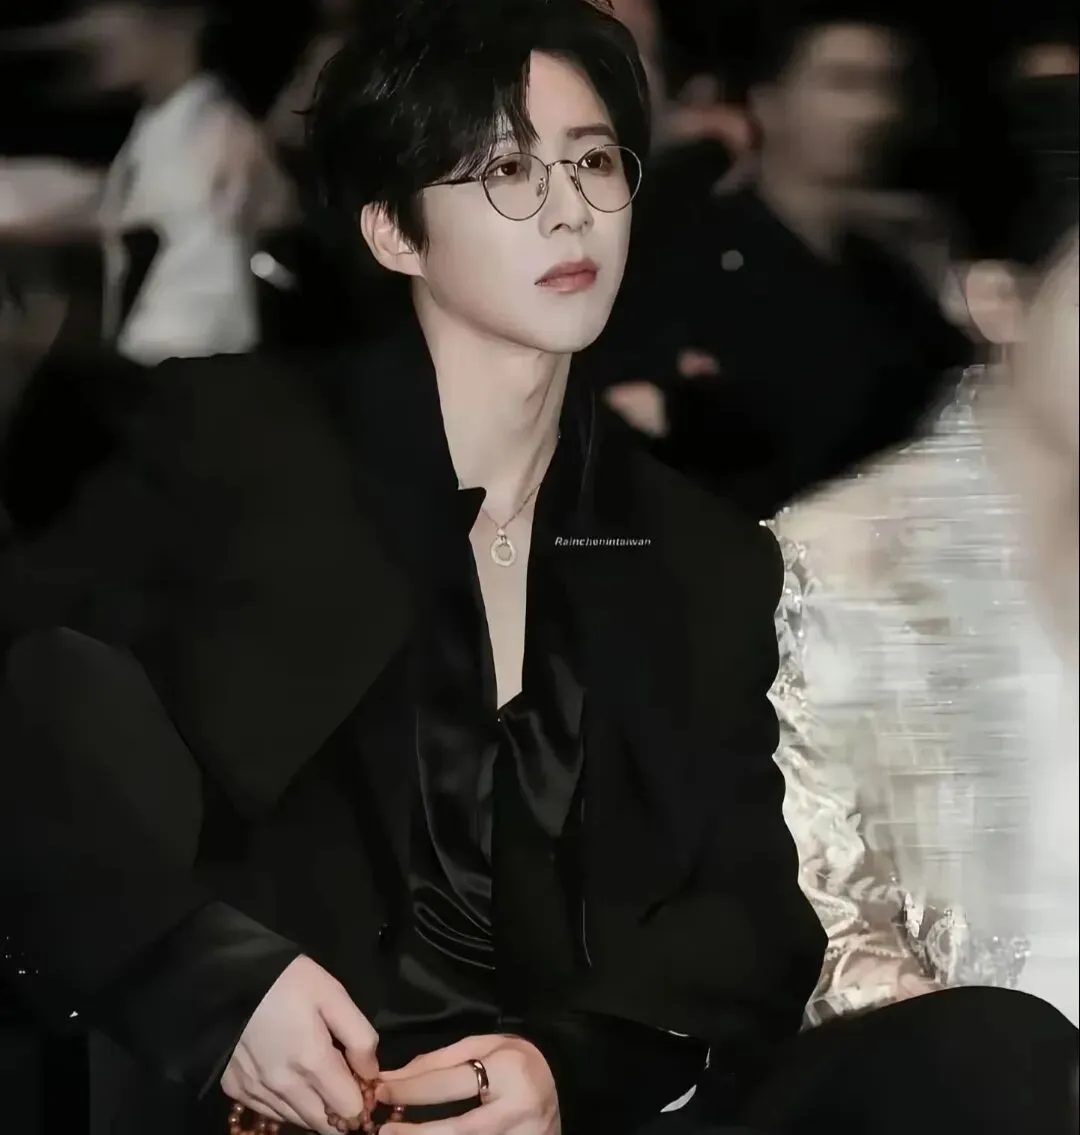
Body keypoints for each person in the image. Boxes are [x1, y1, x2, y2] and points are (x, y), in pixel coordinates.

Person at [0, 4, 1075, 1135]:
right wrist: (212, 982)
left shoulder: (697, 551)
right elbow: (34, 716)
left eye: (595, 163)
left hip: (558, 1105)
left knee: (997, 1047)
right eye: (508, 169)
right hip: (278, 1091)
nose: (570, 209)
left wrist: (567, 1067)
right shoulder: (234, 442)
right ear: (395, 231)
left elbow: (752, 911)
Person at [0, 0, 289, 364]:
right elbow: (92, 201)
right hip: (158, 371)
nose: (96, 29)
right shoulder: (160, 125)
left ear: (178, 23)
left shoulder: (217, 134)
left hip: (192, 371)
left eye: (116, 11)